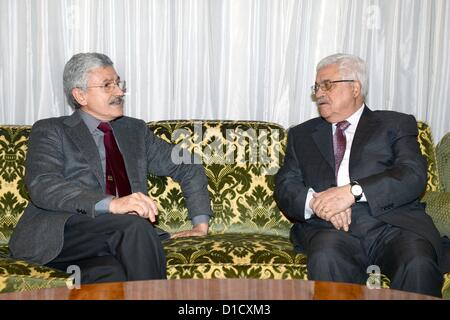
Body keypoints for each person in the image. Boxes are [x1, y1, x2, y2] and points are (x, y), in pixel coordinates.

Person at [9, 52, 213, 284]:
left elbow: (187, 164)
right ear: (80, 95)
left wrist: (200, 223)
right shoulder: (52, 130)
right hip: (64, 233)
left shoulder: (134, 131)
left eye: (118, 83)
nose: (119, 92)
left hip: (113, 240)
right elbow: (44, 185)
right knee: (134, 227)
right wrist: (113, 204)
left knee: (111, 274)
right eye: (108, 86)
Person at [275, 53, 444, 297]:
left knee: (417, 262)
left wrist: (352, 192)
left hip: (393, 225)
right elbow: (285, 185)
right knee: (325, 255)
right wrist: (317, 202)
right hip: (331, 228)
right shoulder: (301, 135)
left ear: (355, 87)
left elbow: (413, 175)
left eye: (327, 85)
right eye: (317, 87)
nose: (319, 93)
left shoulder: (395, 124)